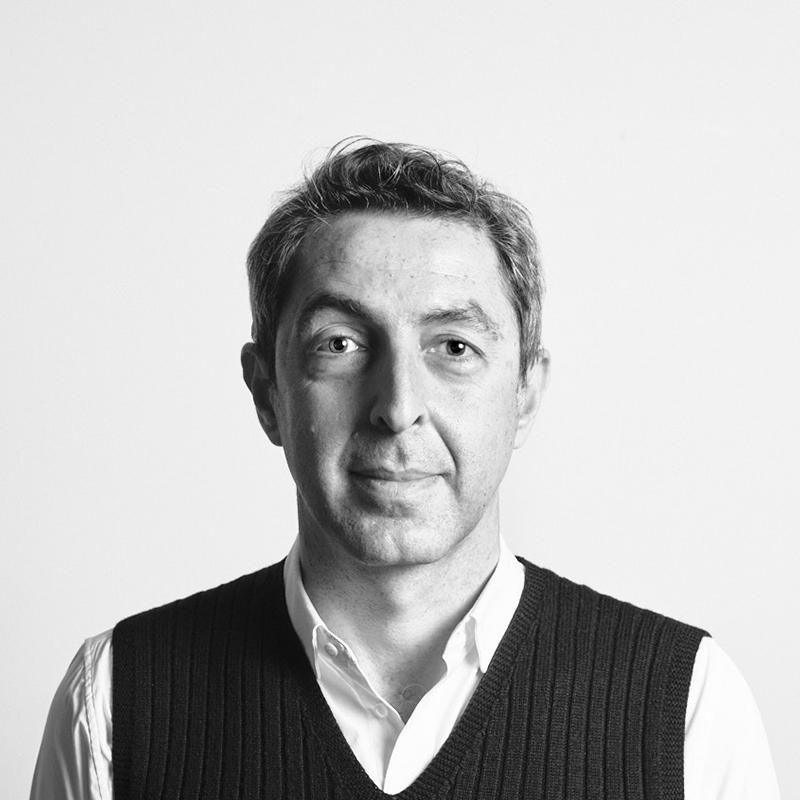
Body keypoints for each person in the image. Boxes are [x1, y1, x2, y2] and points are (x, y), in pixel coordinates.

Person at [30, 139, 779, 799]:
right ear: (267, 393)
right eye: (341, 344)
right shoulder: (116, 702)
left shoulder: (685, 708)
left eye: (454, 347)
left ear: (525, 393)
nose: (397, 407)